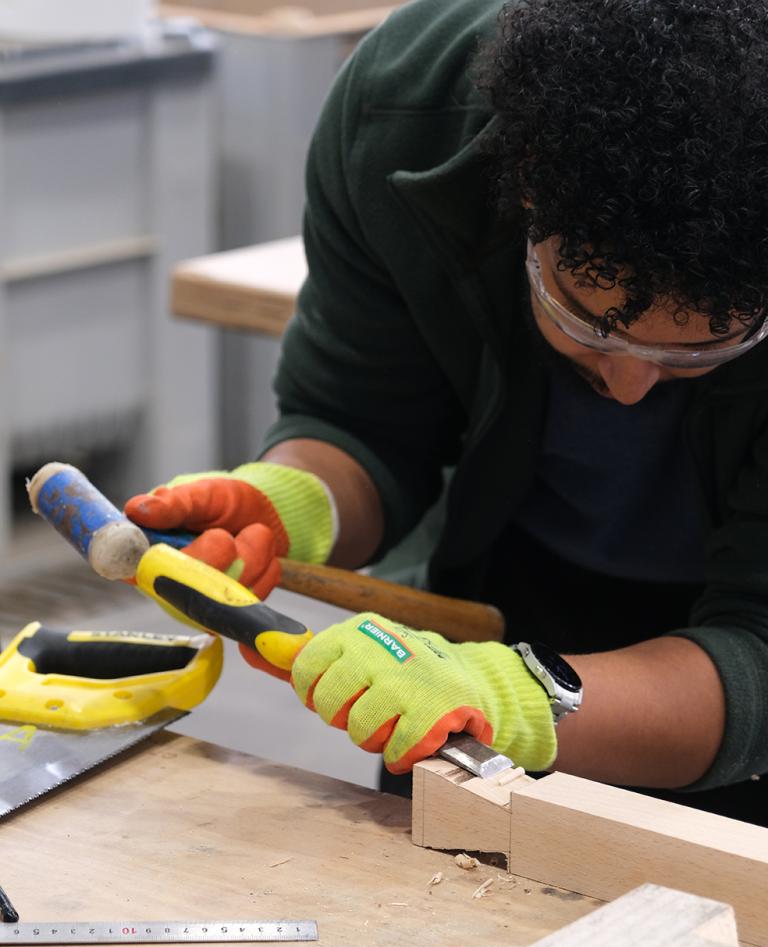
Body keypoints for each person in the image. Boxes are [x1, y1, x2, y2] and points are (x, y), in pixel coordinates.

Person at [127, 0, 768, 824]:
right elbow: (363, 419)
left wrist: (518, 701)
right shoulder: (408, 111)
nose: (632, 386)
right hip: (503, 581)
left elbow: (758, 655)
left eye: (700, 349)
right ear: (527, 178)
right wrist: (293, 504)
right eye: (587, 320)